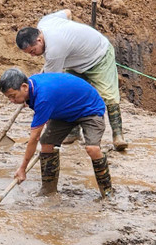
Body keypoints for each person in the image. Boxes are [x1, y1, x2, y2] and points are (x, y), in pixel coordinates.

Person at [15, 9, 127, 151]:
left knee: (108, 95)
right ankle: (74, 133)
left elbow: (50, 86)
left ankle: (118, 136)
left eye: (32, 51)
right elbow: (67, 12)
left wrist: (30, 97)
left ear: (39, 39)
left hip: (98, 56)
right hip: (75, 61)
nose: (32, 56)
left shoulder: (55, 50)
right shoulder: (44, 22)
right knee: (71, 96)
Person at [0, 67, 113, 199]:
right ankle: (48, 190)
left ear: (24, 86)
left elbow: (34, 138)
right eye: (9, 98)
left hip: (89, 108)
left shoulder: (43, 98)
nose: (12, 101)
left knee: (92, 149)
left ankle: (107, 193)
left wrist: (22, 169)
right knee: (47, 143)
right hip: (65, 111)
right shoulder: (32, 86)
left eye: (13, 96)